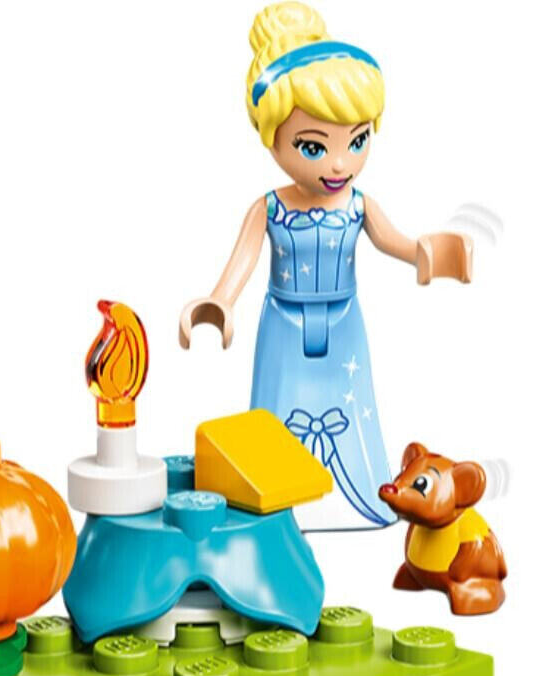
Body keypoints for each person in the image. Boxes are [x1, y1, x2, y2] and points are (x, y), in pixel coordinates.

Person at [179, 1, 472, 530]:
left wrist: (428, 252)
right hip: (284, 323)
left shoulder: (358, 206)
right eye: (313, 147)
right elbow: (242, 260)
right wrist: (218, 302)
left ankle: (360, 499)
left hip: (343, 324)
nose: (339, 163)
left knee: (352, 408)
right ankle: (272, 507)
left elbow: (397, 242)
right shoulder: (270, 207)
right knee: (274, 414)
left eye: (357, 141)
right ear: (271, 136)